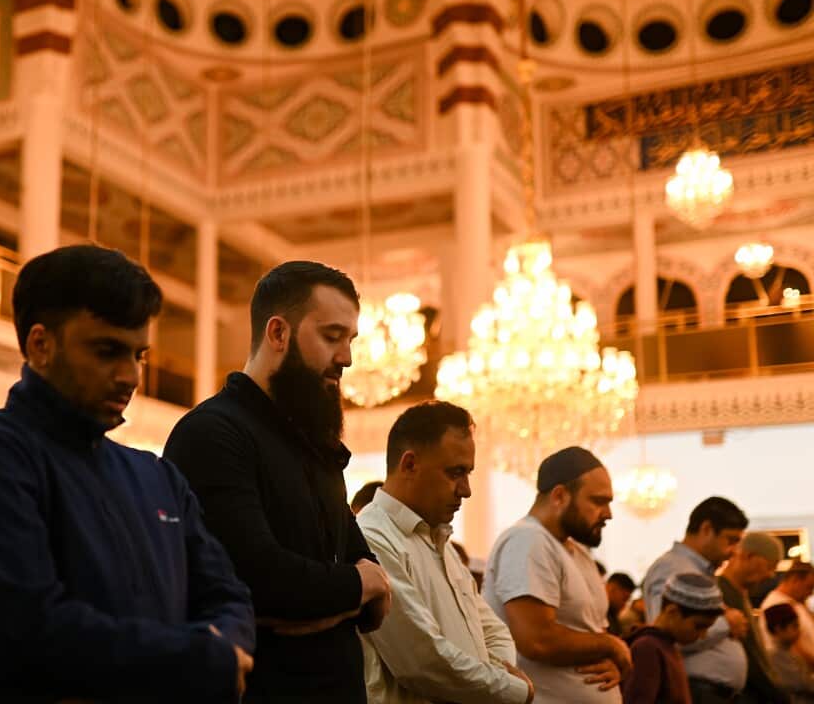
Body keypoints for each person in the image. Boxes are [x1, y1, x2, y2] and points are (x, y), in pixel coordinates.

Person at [0, 245, 255, 702]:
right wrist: (199, 659)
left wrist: (221, 647)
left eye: (139, 355)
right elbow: (29, 635)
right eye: (108, 351)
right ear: (40, 345)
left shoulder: (156, 476)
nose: (130, 376)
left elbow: (229, 596)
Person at [164, 261, 390, 703]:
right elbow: (263, 582)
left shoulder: (312, 438)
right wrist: (358, 587)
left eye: (350, 340)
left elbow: (361, 562)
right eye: (332, 336)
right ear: (278, 333)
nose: (347, 357)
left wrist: (345, 591)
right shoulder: (213, 434)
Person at [357, 401, 533, 704]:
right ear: (409, 464)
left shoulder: (441, 544)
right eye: (455, 472)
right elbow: (422, 661)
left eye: (468, 473)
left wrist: (497, 679)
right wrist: (514, 690)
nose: (466, 489)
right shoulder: (371, 538)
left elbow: (494, 632)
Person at [484, 447, 630, 704]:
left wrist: (609, 660)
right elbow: (536, 640)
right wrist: (611, 646)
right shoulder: (528, 540)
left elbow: (590, 630)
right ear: (560, 496)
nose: (608, 514)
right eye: (598, 501)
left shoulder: (575, 549)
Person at [641, 497, 751, 701]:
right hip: (699, 690)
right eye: (731, 540)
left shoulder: (699, 570)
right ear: (707, 529)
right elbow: (665, 630)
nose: (734, 551)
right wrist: (726, 624)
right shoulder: (673, 567)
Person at [621, 572, 724, 704]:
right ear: (672, 611)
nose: (703, 635)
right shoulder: (647, 648)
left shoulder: (667, 646)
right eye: (699, 627)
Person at [717, 532, 789, 704]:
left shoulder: (741, 593)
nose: (771, 575)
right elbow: (751, 658)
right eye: (769, 566)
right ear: (748, 556)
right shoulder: (720, 593)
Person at [762, 562, 814, 665]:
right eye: (809, 587)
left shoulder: (794, 601)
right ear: (795, 580)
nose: (810, 593)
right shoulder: (777, 606)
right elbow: (794, 648)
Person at [766, 604, 814, 702]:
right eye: (794, 626)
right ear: (778, 629)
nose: (799, 630)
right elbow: (802, 684)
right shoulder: (776, 655)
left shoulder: (788, 651)